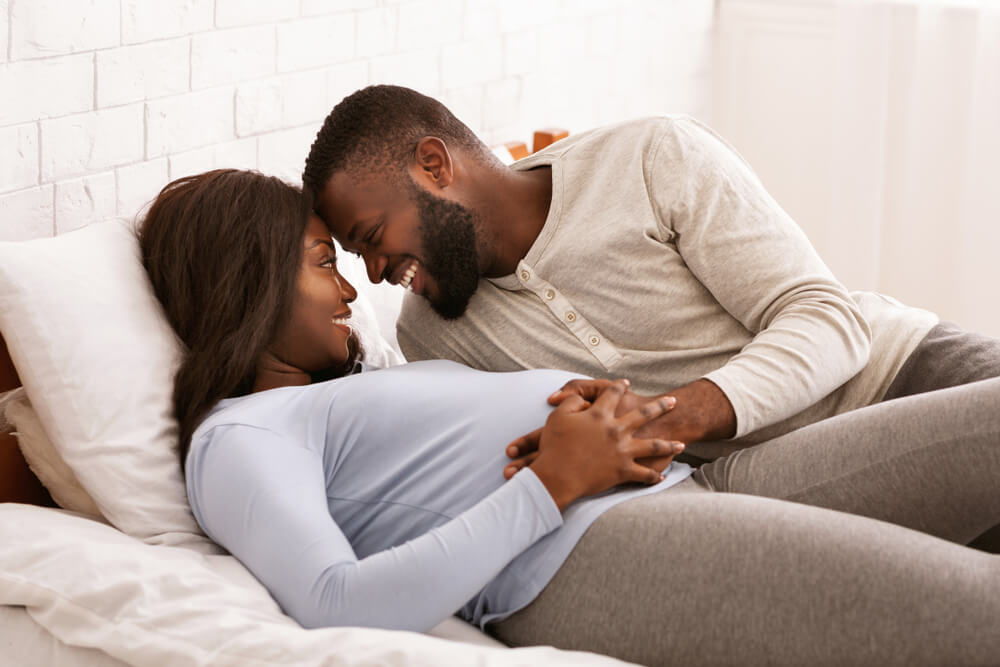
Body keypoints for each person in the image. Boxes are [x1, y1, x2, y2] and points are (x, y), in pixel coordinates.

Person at [139, 169, 1000, 667]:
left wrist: (603, 413)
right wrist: (553, 482)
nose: (349, 288)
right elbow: (334, 604)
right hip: (588, 554)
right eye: (323, 261)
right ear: (247, 281)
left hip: (681, 480)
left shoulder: (337, 391)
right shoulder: (240, 437)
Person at [300, 84, 1000, 465]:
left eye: (370, 238)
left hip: (897, 373)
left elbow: (826, 317)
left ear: (434, 165)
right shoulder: (432, 336)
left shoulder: (650, 158)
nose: (377, 273)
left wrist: (665, 415)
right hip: (785, 481)